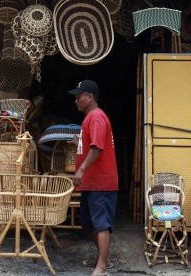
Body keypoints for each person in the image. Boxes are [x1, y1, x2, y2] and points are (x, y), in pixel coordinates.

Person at [68, 80, 118, 276]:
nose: (76, 100)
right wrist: (78, 141)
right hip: (92, 182)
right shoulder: (90, 118)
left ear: (89, 97)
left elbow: (97, 147)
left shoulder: (96, 118)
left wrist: (80, 170)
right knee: (89, 224)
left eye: (78, 96)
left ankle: (102, 267)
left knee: (101, 224)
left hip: (101, 182)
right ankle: (105, 259)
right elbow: (92, 143)